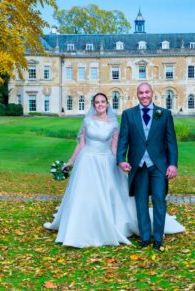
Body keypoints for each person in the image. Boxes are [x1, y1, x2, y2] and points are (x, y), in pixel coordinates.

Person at [44, 92, 184, 248]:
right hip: (87, 161)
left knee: (107, 195)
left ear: (107, 104)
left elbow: (115, 147)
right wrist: (70, 162)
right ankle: (81, 228)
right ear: (94, 104)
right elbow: (81, 144)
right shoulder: (87, 121)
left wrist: (120, 162)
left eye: (103, 101)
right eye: (97, 102)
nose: (100, 104)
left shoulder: (113, 124)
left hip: (105, 161)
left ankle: (112, 226)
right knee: (83, 195)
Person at [117, 82, 178, 251]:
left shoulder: (164, 114)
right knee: (141, 202)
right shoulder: (128, 114)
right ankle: (145, 237)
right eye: (141, 93)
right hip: (138, 166)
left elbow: (171, 141)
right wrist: (121, 159)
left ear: (152, 93)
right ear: (137, 95)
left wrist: (173, 164)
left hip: (159, 165)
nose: (144, 95)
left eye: (147, 92)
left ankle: (158, 238)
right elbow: (123, 140)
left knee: (159, 199)